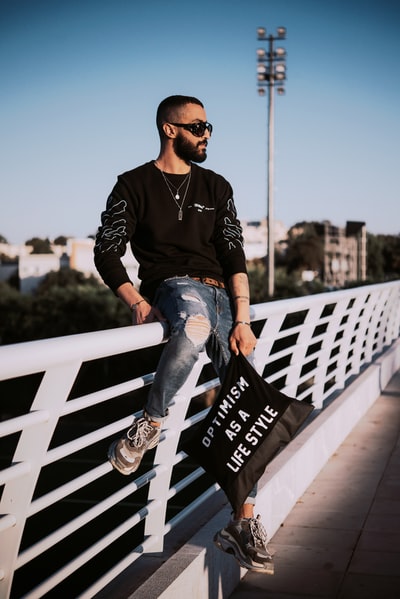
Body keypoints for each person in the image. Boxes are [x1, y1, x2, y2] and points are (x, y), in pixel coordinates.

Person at [94, 95, 273, 573]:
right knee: (191, 327)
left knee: (245, 404)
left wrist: (243, 318)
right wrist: (137, 302)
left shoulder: (216, 185)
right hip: (175, 287)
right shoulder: (132, 185)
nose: (207, 133)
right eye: (198, 126)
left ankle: (244, 520)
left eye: (210, 126)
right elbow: (107, 251)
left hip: (223, 297)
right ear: (170, 129)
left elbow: (234, 254)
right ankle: (148, 425)